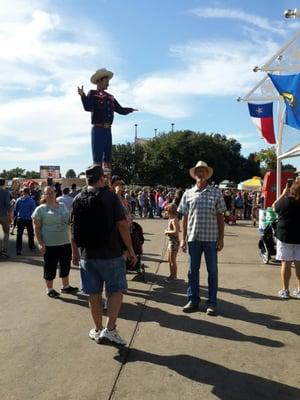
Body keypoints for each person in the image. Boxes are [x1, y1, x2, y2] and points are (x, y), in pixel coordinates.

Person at [70, 165, 137, 346]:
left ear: (86, 180)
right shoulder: (110, 197)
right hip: (111, 254)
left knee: (93, 294)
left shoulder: (78, 198)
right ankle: (111, 329)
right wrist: (131, 250)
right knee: (115, 291)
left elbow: (72, 228)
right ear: (102, 179)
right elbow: (122, 225)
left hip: (87, 255)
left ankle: (98, 329)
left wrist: (75, 252)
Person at [178, 161, 226, 315]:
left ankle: (211, 303)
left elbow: (220, 217)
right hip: (193, 238)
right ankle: (193, 300)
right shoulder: (188, 193)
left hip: (211, 238)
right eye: (198, 171)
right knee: (193, 271)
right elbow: (184, 218)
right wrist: (183, 239)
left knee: (212, 271)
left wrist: (221, 238)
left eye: (203, 171)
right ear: (195, 174)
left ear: (207, 174)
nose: (200, 173)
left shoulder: (216, 193)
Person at [77, 68, 138, 176]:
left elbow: (120, 109)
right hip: (98, 129)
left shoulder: (110, 97)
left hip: (108, 129)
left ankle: (107, 181)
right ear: (100, 81)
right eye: (106, 81)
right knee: (97, 157)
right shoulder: (93, 93)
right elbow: (87, 107)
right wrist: (83, 96)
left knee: (108, 157)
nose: (108, 84)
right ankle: (98, 180)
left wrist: (130, 110)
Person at [32, 186, 78, 298]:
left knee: (65, 265)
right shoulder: (40, 209)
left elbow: (69, 221)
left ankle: (65, 286)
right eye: (48, 193)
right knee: (50, 266)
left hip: (64, 242)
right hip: (49, 244)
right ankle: (49, 289)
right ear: (44, 195)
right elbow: (36, 228)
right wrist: (40, 243)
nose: (50, 195)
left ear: (56, 193)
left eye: (52, 192)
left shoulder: (62, 206)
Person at [272, 180, 300, 299]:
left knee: (286, 262)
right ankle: (299, 290)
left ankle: (285, 290)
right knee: (299, 263)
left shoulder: (285, 202)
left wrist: (283, 194)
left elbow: (274, 207)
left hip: (285, 237)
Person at [15, 187, 36, 255]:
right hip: (29, 219)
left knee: (19, 234)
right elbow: (34, 210)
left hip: (20, 219)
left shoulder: (18, 200)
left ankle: (18, 249)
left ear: (22, 192)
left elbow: (16, 209)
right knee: (30, 234)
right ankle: (31, 247)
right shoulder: (31, 200)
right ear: (29, 192)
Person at [164, 203, 180, 282]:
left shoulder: (174, 219)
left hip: (174, 242)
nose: (165, 212)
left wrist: (167, 231)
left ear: (170, 211)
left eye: (166, 211)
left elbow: (176, 232)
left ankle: (174, 277)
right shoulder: (171, 219)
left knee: (172, 260)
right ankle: (172, 275)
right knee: (169, 260)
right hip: (171, 241)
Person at [0, 178, 12, 257]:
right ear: (4, 183)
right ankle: (4, 249)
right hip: (3, 214)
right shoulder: (5, 192)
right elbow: (8, 205)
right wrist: (10, 215)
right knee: (6, 232)